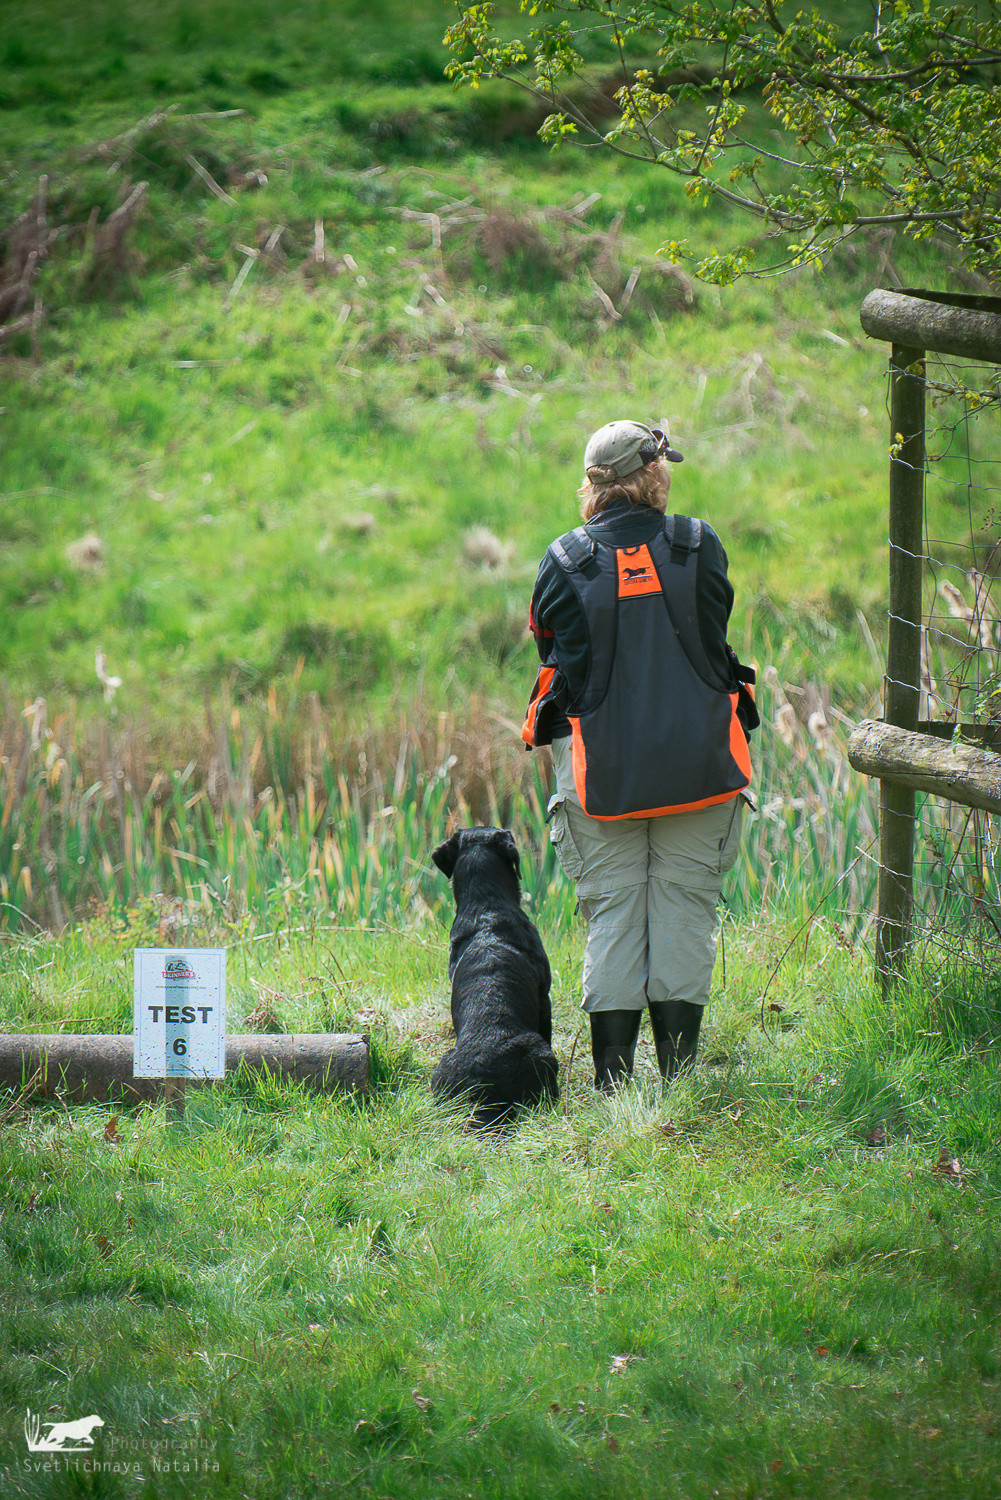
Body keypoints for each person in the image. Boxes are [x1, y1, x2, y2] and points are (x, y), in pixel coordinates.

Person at [521, 419, 758, 1090]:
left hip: (601, 776)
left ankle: (613, 1086)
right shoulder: (696, 544)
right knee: (684, 908)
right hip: (702, 767)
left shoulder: (562, 559)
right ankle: (677, 1085)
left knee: (615, 915)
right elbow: (714, 625)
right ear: (652, 475)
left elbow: (548, 648)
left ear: (593, 484)